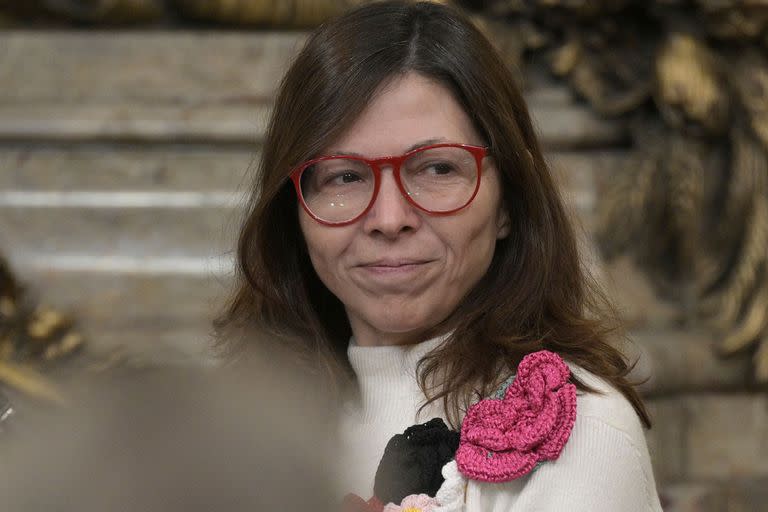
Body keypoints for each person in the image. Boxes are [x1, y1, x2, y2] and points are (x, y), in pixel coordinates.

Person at [214, 1, 664, 510]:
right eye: (344, 176)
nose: (388, 219)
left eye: (437, 169)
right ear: (292, 212)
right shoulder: (245, 430)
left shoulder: (579, 431)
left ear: (509, 203)